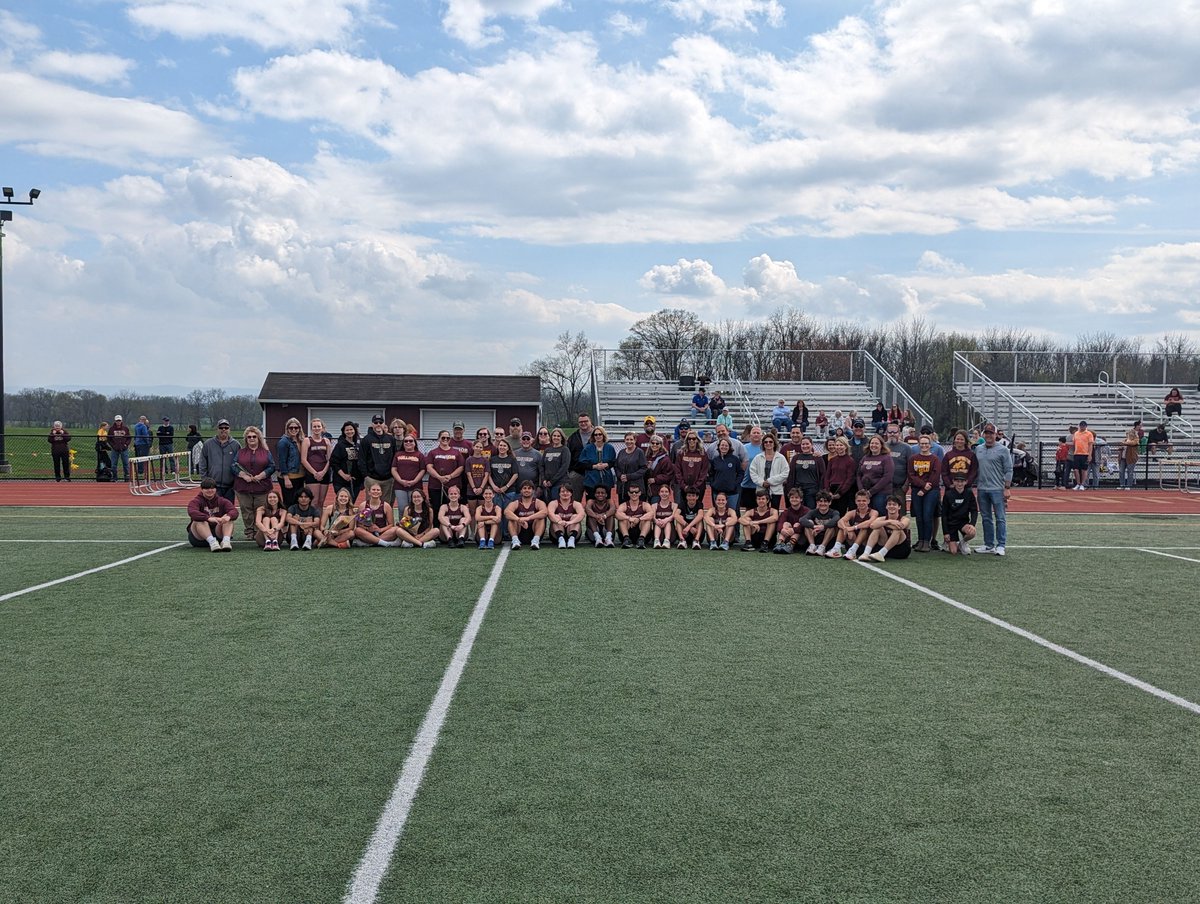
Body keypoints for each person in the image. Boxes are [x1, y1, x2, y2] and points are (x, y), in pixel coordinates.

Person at [974, 423, 1013, 556]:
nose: (989, 435)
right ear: (984, 434)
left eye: (991, 433)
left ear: (995, 435)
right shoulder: (978, 448)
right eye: (987, 433)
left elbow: (1008, 469)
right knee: (986, 517)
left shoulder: (1003, 450)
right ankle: (989, 544)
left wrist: (1007, 488)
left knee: (1000, 517)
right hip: (982, 488)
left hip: (997, 488)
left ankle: (1001, 544)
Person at [232, 426, 276, 541]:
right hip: (243, 487)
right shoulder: (240, 452)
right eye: (249, 437)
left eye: (254, 436)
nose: (251, 439)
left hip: (262, 487)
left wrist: (262, 475)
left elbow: (272, 466)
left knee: (260, 509)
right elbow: (233, 466)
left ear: (258, 438)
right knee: (246, 510)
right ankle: (249, 531)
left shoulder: (266, 452)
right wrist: (243, 475)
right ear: (246, 439)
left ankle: (259, 531)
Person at [907, 434, 941, 552]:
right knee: (919, 517)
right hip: (917, 490)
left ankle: (927, 541)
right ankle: (921, 540)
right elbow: (911, 475)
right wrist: (922, 486)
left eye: (926, 443)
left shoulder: (935, 459)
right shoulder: (913, 458)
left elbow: (935, 476)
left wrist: (925, 489)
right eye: (922, 443)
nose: (924, 445)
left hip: (931, 491)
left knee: (927, 516)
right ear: (919, 444)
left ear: (930, 445)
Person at [186, 477, 237, 551]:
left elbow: (234, 511)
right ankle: (212, 542)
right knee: (199, 520)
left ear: (216, 489)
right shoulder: (196, 501)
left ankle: (226, 541)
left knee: (228, 517)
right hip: (199, 538)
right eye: (206, 489)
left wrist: (228, 516)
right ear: (202, 489)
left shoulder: (222, 501)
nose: (210, 490)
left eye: (212, 488)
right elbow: (192, 512)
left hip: (218, 534)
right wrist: (208, 518)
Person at [826, 490, 877, 560]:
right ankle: (836, 549)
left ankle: (853, 551)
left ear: (868, 501)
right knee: (844, 525)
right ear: (855, 501)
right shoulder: (852, 512)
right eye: (859, 501)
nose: (861, 503)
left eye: (864, 501)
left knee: (864, 527)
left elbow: (869, 523)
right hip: (852, 540)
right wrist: (845, 528)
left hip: (865, 544)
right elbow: (840, 521)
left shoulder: (873, 512)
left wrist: (853, 528)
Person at [198, 418, 240, 503]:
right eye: (221, 427)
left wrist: (236, 482)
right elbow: (202, 463)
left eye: (226, 427)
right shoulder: (208, 444)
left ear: (229, 429)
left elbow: (240, 465)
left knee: (228, 512)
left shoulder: (236, 445)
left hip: (230, 487)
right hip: (213, 487)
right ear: (217, 429)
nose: (223, 429)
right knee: (213, 511)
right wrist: (205, 481)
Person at [359, 415, 397, 505]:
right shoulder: (366, 439)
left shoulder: (390, 439)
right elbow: (362, 458)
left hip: (388, 478)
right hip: (372, 478)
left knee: (386, 504)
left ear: (384, 424)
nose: (378, 424)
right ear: (372, 424)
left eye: (380, 422)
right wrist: (366, 475)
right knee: (371, 503)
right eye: (376, 422)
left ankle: (384, 519)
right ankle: (370, 519)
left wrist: (392, 474)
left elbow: (395, 457)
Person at [425, 429, 465, 512]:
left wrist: (450, 476)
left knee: (452, 509)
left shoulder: (456, 452)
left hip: (452, 486)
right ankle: (436, 525)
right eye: (443, 438)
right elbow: (429, 467)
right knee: (436, 509)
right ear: (439, 439)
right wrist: (439, 477)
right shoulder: (432, 452)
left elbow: (461, 467)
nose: (445, 439)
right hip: (435, 486)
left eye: (448, 438)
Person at [863, 495, 912, 562]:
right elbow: (872, 525)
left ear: (899, 507)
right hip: (884, 546)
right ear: (886, 506)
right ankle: (866, 553)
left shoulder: (905, 519)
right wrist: (889, 521)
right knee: (878, 528)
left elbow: (901, 526)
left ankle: (881, 554)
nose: (891, 506)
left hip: (901, 550)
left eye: (894, 504)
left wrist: (884, 523)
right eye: (889, 504)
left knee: (898, 530)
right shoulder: (882, 518)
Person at [856, 433, 895, 516]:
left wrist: (872, 491)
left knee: (879, 514)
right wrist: (861, 489)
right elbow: (858, 474)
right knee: (866, 515)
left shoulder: (886, 458)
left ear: (881, 445)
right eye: (872, 443)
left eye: (876, 443)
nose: (874, 445)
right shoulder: (865, 457)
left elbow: (887, 477)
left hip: (881, 492)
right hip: (866, 492)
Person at [941, 475, 979, 555]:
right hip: (951, 523)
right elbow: (944, 515)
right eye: (957, 481)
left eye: (962, 481)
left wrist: (972, 524)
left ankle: (963, 543)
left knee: (972, 532)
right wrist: (946, 532)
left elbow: (974, 510)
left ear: (966, 482)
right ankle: (948, 542)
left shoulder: (969, 493)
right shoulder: (948, 494)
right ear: (953, 482)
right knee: (953, 552)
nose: (960, 484)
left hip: (963, 522)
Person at [505, 479, 548, 550]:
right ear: (521, 491)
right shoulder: (516, 503)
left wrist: (528, 518)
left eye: (529, 488)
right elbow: (507, 512)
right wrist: (518, 519)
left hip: (534, 531)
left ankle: (535, 541)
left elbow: (545, 512)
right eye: (524, 488)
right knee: (511, 519)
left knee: (541, 518)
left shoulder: (538, 502)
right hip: (519, 532)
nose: (526, 490)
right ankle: (515, 540)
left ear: (533, 491)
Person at [749, 432, 789, 507]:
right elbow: (752, 472)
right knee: (762, 511)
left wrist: (770, 481)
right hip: (761, 489)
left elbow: (785, 473)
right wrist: (762, 483)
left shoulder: (781, 458)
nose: (768, 443)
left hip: (776, 490)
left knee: (774, 511)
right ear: (763, 444)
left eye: (770, 442)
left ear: (774, 443)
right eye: (766, 442)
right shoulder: (758, 457)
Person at [300, 418, 333, 509]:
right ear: (311, 428)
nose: (316, 428)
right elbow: (303, 459)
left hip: (324, 474)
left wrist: (323, 472)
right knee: (313, 501)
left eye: (319, 426)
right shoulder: (307, 441)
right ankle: (313, 522)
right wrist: (315, 473)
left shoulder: (326, 441)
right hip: (311, 474)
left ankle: (320, 523)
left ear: (322, 428)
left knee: (321, 502)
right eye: (314, 426)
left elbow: (330, 459)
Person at [391, 434, 426, 514]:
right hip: (400, 486)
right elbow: (393, 469)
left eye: (411, 441)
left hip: (415, 486)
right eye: (406, 441)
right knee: (402, 508)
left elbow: (423, 470)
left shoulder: (419, 455)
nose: (408, 442)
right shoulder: (398, 454)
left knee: (414, 507)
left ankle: (416, 525)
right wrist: (400, 481)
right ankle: (403, 526)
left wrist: (414, 481)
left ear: (415, 443)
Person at [331, 421, 365, 505]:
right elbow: (334, 462)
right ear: (344, 431)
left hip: (356, 482)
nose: (349, 432)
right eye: (347, 430)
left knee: (351, 504)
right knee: (343, 504)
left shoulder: (359, 444)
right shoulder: (340, 445)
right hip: (341, 482)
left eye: (351, 429)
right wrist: (344, 475)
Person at [786, 435, 825, 509]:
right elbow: (791, 475)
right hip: (798, 490)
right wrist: (790, 489)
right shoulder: (795, 458)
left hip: (812, 490)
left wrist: (820, 492)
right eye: (803, 444)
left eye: (807, 444)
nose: (805, 446)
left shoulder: (818, 458)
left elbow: (823, 475)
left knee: (810, 512)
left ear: (811, 445)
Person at [275, 418, 306, 509]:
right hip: (289, 477)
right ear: (287, 429)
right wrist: (286, 478)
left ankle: (295, 522)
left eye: (296, 427)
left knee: (298, 501)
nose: (293, 429)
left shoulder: (301, 440)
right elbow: (282, 461)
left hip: (300, 476)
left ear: (299, 428)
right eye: (291, 427)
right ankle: (287, 522)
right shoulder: (283, 442)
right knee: (289, 502)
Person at [579, 426, 617, 499]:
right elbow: (582, 463)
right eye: (595, 435)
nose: (598, 436)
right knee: (591, 502)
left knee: (606, 502)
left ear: (603, 435)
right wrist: (595, 466)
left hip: (606, 479)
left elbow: (613, 461)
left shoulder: (609, 448)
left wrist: (606, 464)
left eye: (600, 434)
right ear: (593, 436)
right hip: (591, 479)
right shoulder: (588, 448)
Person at [708, 436, 743, 512]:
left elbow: (740, 473)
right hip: (717, 492)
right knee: (718, 512)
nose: (724, 447)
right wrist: (713, 484)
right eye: (722, 445)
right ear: (719, 447)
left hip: (732, 492)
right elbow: (711, 474)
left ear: (729, 447)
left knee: (733, 512)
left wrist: (735, 484)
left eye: (726, 445)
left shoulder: (735, 459)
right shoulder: (715, 460)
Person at [822, 436, 856, 514]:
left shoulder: (850, 461)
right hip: (831, 489)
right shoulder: (832, 460)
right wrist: (828, 490)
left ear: (845, 446)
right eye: (837, 445)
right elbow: (827, 476)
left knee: (841, 513)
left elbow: (849, 478)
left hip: (843, 490)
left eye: (841, 445)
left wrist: (840, 493)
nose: (838, 447)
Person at [799, 491, 840, 556]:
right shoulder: (813, 512)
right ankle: (812, 546)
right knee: (808, 524)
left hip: (829, 540)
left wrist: (823, 527)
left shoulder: (834, 512)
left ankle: (822, 547)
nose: (823, 503)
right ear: (817, 502)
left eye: (825, 501)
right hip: (816, 537)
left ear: (830, 502)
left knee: (832, 526)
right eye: (820, 501)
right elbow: (802, 519)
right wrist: (814, 526)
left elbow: (836, 519)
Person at [674, 431, 710, 504]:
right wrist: (684, 486)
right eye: (689, 439)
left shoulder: (702, 453)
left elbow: (704, 472)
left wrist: (695, 486)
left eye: (693, 438)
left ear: (697, 440)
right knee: (683, 509)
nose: (691, 441)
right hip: (684, 488)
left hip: (699, 488)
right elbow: (677, 470)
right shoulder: (681, 453)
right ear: (686, 440)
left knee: (697, 508)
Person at [566, 412, 594, 503]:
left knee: (593, 501)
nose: (583, 423)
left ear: (590, 421)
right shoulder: (573, 437)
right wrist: (571, 471)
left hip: (593, 472)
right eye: (580, 422)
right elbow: (568, 455)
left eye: (586, 421)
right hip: (577, 473)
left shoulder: (598, 435)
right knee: (574, 501)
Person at [772, 487, 810, 554]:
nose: (794, 499)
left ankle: (791, 545)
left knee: (797, 524)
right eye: (792, 497)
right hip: (787, 536)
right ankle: (780, 543)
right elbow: (779, 523)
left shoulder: (806, 511)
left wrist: (794, 529)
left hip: (802, 538)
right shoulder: (786, 511)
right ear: (789, 499)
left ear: (801, 499)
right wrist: (782, 530)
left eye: (796, 497)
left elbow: (805, 525)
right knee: (786, 523)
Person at [488, 436, 520, 514]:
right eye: (501, 445)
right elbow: (488, 474)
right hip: (495, 492)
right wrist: (493, 486)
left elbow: (515, 474)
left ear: (508, 448)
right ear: (498, 447)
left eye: (504, 446)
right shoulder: (492, 459)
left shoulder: (512, 459)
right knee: (496, 514)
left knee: (507, 514)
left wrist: (506, 487)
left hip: (509, 492)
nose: (502, 447)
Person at [615, 484, 652, 549]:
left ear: (640, 493)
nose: (634, 494)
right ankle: (626, 539)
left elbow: (651, 514)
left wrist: (639, 519)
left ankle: (641, 540)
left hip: (643, 534)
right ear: (628, 493)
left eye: (636, 492)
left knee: (647, 519)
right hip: (627, 534)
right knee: (622, 518)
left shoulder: (645, 504)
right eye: (632, 492)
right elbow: (617, 514)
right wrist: (629, 518)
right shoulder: (624, 505)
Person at [541, 428, 570, 501]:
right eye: (554, 436)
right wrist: (543, 479)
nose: (556, 437)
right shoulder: (547, 450)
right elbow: (541, 465)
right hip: (547, 484)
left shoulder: (565, 450)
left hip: (560, 483)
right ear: (551, 437)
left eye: (558, 436)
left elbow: (564, 467)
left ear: (562, 438)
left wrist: (552, 481)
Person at [644, 435, 675, 502]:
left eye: (657, 443)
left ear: (661, 445)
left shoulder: (665, 459)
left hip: (659, 490)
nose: (654, 445)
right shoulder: (647, 457)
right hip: (647, 489)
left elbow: (668, 475)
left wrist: (655, 479)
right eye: (652, 443)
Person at [513, 431, 544, 495]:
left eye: (528, 439)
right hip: (517, 488)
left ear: (532, 441)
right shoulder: (514, 453)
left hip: (532, 489)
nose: (526, 441)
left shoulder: (538, 454)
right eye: (524, 439)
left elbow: (541, 472)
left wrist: (540, 487)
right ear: (520, 441)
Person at [650, 482, 679, 548]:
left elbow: (673, 516)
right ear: (659, 493)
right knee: (657, 523)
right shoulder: (654, 505)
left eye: (666, 492)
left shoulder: (674, 505)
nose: (664, 494)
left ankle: (667, 541)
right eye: (662, 491)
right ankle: (656, 541)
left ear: (669, 493)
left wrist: (665, 520)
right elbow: (653, 517)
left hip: (670, 532)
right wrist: (657, 521)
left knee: (668, 522)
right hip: (658, 530)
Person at [1071, 420, 1094, 491]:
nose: (1082, 427)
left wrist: (1089, 455)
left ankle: (1082, 484)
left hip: (1085, 454)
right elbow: (1074, 443)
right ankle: (1078, 483)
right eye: (1081, 425)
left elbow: (1090, 445)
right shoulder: (1076, 433)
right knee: (1075, 469)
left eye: (1083, 426)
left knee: (1084, 469)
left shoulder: (1089, 434)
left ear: (1086, 426)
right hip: (1077, 453)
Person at [108, 415, 132, 481]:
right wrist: (113, 445)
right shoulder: (111, 429)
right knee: (113, 464)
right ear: (115, 421)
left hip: (124, 449)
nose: (118, 422)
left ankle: (126, 477)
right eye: (117, 421)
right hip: (115, 449)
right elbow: (109, 439)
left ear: (121, 421)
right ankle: (114, 477)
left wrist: (126, 445)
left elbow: (129, 438)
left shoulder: (125, 428)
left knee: (126, 463)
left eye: (119, 420)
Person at [1118, 424, 1140, 490]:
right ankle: (1122, 485)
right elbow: (1120, 445)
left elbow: (1133, 443)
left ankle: (1129, 485)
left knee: (1130, 472)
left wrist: (1125, 443)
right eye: (1128, 434)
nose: (1129, 435)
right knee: (1121, 471)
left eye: (1130, 434)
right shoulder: (1125, 440)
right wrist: (1121, 446)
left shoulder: (1136, 440)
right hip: (1123, 458)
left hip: (1131, 458)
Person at [133, 415, 152, 481]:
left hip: (137, 443)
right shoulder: (143, 426)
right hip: (143, 443)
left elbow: (135, 435)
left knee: (138, 456)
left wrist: (135, 442)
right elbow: (145, 435)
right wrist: (147, 442)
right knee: (143, 457)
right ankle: (141, 471)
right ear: (144, 420)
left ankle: (139, 470)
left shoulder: (136, 426)